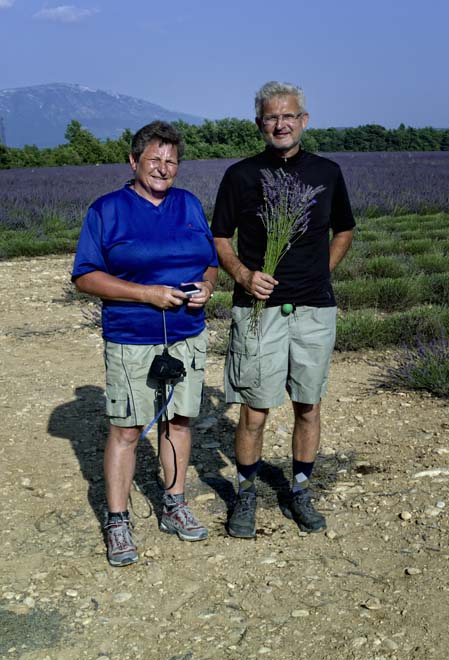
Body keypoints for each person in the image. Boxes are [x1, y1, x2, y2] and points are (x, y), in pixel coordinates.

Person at [211, 81, 355, 539]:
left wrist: (321, 272)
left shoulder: (327, 172)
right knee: (255, 409)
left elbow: (345, 230)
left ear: (303, 121)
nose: (281, 124)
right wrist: (243, 274)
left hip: (314, 309)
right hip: (259, 309)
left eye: (288, 115)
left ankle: (299, 488)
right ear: (260, 124)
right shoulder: (240, 175)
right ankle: (246, 492)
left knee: (308, 406)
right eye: (272, 117)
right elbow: (219, 239)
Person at [72, 121, 218, 566]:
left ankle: (174, 503)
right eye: (154, 159)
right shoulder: (107, 210)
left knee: (178, 422)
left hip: (187, 336)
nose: (163, 168)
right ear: (134, 161)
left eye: (171, 161)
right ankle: (118, 521)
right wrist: (146, 294)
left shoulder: (189, 205)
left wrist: (208, 287)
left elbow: (210, 261)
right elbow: (84, 276)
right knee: (127, 430)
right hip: (132, 338)